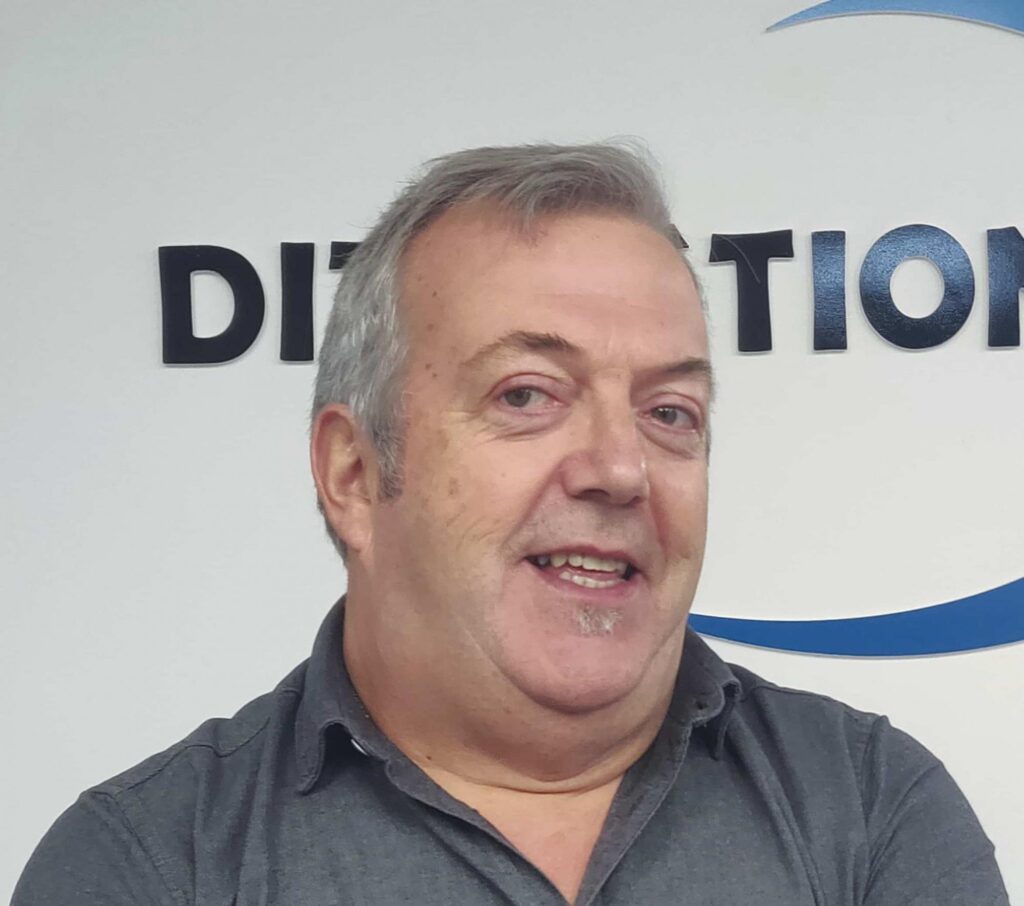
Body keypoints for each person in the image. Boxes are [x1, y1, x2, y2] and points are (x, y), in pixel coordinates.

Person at [14, 143, 1008, 905]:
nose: (619, 468)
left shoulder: (870, 810)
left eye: (670, 412)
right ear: (354, 474)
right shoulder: (152, 866)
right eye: (527, 395)